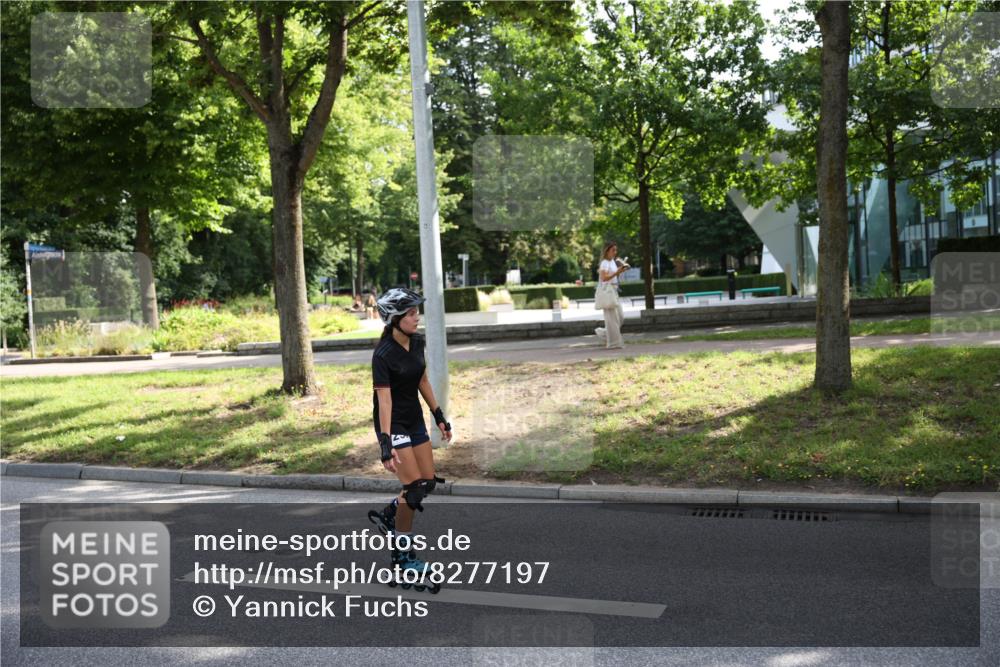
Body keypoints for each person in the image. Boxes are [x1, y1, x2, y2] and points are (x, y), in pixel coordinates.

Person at [366, 287, 452, 593]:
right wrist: (385, 443)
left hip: (414, 419)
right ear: (394, 318)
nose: (417, 318)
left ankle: (392, 513)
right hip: (394, 423)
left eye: (417, 312)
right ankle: (402, 556)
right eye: (411, 313)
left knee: (426, 482)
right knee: (413, 488)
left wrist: (439, 415)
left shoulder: (417, 342)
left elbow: (422, 380)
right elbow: (384, 402)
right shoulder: (383, 355)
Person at [595, 241, 628, 349]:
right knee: (612, 319)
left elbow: (613, 276)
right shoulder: (604, 263)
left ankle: (603, 333)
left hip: (614, 290)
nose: (615, 252)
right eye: (613, 250)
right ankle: (614, 343)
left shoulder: (612, 262)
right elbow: (604, 278)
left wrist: (621, 271)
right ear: (607, 251)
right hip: (607, 292)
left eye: (616, 250)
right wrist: (617, 272)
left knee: (620, 317)